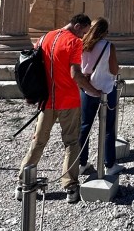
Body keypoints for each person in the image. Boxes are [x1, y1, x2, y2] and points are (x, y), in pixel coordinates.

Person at [16, 13, 91, 204]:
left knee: (38, 141)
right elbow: (75, 73)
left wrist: (30, 93)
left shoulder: (44, 38)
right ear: (77, 26)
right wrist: (92, 90)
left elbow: (31, 64)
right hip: (69, 100)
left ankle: (23, 184)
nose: (83, 36)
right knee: (71, 143)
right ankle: (70, 187)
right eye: (84, 32)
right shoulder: (74, 42)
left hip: (47, 100)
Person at [79, 17, 120, 177]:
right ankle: (109, 164)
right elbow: (114, 70)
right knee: (108, 128)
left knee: (85, 126)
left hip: (87, 89)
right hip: (106, 90)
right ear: (104, 31)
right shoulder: (109, 46)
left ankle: (81, 163)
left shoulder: (82, 44)